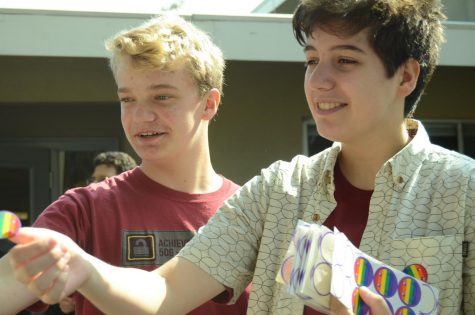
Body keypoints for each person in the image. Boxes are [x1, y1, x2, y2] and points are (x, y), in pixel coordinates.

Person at [3, 0, 474, 314]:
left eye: (345, 61)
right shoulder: (276, 191)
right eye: (312, 60)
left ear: (406, 76)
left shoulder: (464, 192)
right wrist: (84, 266)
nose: (319, 81)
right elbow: (164, 292)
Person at [0, 14, 249, 315]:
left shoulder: (253, 213)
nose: (140, 116)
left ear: (209, 104)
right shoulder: (83, 209)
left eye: (161, 97)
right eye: (128, 99)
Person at [56, 151, 137, 314]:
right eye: (93, 179)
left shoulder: (141, 220)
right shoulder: (85, 220)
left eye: (103, 179)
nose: (94, 185)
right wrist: (68, 298)